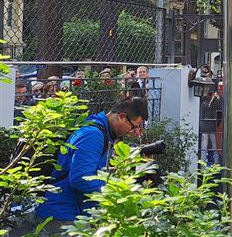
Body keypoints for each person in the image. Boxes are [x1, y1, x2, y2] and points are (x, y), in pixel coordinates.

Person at [35, 97, 148, 234]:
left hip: (71, 213)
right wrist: (115, 192)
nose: (134, 132)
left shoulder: (103, 132)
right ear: (122, 117)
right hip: (63, 216)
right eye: (133, 126)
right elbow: (80, 179)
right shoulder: (93, 135)